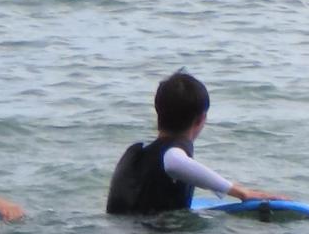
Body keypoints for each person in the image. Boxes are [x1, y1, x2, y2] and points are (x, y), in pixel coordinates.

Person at [106, 71, 282, 215]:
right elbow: (174, 162)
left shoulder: (137, 152)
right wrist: (241, 192)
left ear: (158, 112)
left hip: (125, 233)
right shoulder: (172, 154)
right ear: (201, 119)